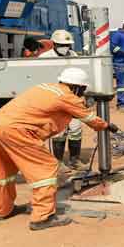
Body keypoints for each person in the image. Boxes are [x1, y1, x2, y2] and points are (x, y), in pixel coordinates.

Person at [0, 68, 119, 230]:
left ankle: (4, 210)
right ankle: (42, 217)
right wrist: (107, 125)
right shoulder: (68, 97)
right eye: (82, 90)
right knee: (45, 168)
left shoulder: (44, 87)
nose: (82, 94)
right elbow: (89, 118)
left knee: (5, 172)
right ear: (76, 87)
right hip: (15, 131)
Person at [38, 30, 83, 169]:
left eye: (68, 44)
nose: (66, 47)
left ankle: (75, 160)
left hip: (72, 98)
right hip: (54, 99)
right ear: (54, 44)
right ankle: (58, 162)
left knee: (76, 129)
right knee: (58, 131)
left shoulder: (74, 55)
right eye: (62, 44)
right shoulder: (45, 58)